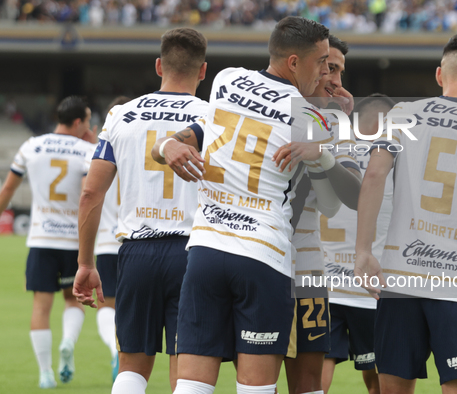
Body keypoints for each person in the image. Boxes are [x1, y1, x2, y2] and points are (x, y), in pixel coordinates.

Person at [164, 16, 332, 394]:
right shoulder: (312, 117)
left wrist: (166, 144)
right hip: (263, 255)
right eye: (321, 61)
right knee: (255, 389)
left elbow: (199, 132)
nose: (324, 70)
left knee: (190, 386)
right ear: (294, 62)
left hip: (206, 249)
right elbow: (341, 190)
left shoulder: (225, 79)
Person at [354, 32, 457, 394]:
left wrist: (364, 250)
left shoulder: (402, 114)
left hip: (400, 281)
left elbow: (373, 176)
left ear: (438, 75)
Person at [72, 27, 208, 394]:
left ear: (159, 66)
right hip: (194, 252)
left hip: (136, 253)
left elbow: (90, 193)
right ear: (203, 71)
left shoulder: (120, 114)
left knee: (131, 368)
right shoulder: (214, 118)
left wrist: (86, 264)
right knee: (189, 367)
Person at [0, 96, 95, 388]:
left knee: (41, 307)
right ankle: (67, 342)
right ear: (79, 122)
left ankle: (45, 373)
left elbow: (7, 191)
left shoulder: (32, 145)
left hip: (41, 239)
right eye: (88, 121)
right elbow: (87, 197)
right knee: (73, 301)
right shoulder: (87, 150)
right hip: (72, 241)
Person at [286, 35, 362, 394]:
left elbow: (349, 198)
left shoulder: (331, 120)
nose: (337, 81)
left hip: (311, 263)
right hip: (264, 255)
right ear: (301, 62)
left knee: (310, 379)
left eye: (340, 71)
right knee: (259, 373)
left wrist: (334, 127)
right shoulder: (272, 110)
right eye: (330, 68)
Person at [320, 94, 395, 394]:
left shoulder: (329, 149)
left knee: (317, 369)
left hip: (322, 282)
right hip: (372, 286)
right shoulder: (394, 158)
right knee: (378, 377)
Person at [84, 96, 131, 383]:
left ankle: (114, 349)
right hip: (139, 242)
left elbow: (88, 194)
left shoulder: (98, 152)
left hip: (106, 243)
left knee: (106, 305)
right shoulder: (144, 147)